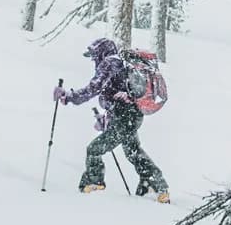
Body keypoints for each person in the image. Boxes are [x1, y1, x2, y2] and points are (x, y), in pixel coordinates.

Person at [56, 37, 169, 202]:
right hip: (131, 117)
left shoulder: (110, 63)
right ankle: (154, 184)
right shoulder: (120, 65)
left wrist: (69, 97)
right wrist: (108, 118)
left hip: (125, 118)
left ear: (102, 51)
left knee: (94, 150)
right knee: (133, 151)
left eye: (94, 55)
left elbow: (93, 88)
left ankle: (94, 183)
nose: (94, 59)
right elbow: (117, 94)